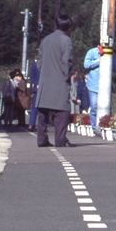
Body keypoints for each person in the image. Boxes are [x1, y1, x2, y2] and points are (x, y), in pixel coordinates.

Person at [35, 14, 74, 148]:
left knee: (43, 114)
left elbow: (39, 61)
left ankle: (41, 139)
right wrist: (67, 75)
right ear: (68, 27)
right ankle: (60, 140)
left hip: (45, 81)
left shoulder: (45, 40)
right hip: (60, 82)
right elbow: (67, 61)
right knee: (62, 113)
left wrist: (44, 71)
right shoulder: (66, 40)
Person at [82, 43, 102, 134]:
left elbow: (115, 65)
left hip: (105, 86)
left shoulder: (110, 53)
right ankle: (94, 128)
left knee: (106, 107)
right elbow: (86, 65)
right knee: (94, 106)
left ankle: (104, 126)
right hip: (93, 85)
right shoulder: (92, 52)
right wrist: (98, 61)